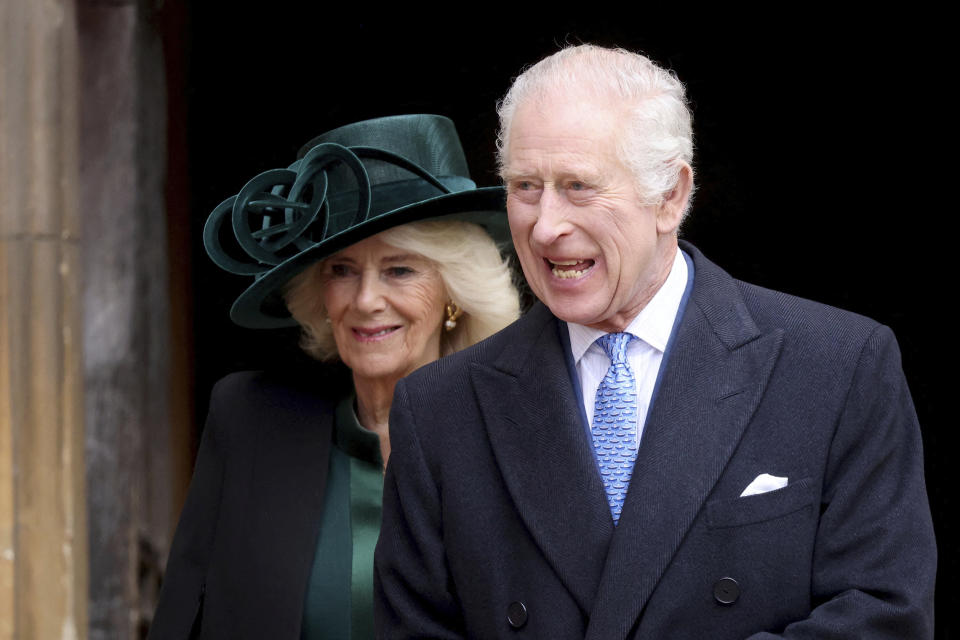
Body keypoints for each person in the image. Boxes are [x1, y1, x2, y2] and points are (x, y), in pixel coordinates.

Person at [374, 46, 936, 639]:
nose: (545, 226)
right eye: (525, 186)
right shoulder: (438, 410)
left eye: (578, 186)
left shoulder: (837, 366)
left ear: (671, 194)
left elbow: (882, 616)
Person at [148, 114, 520, 639]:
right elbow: (180, 624)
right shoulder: (249, 421)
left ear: (453, 292)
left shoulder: (521, 437)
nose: (366, 301)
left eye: (400, 269)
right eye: (342, 270)